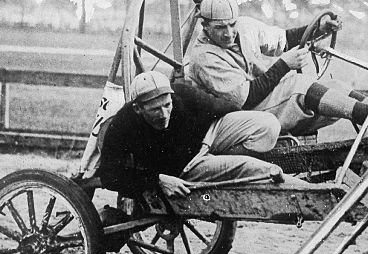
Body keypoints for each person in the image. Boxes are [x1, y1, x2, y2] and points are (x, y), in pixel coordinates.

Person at [183, 0, 368, 136]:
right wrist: (284, 65)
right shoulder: (204, 58)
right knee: (299, 85)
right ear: (205, 25)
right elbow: (245, 99)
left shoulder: (245, 28)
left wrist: (319, 30)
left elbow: (284, 39)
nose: (229, 33)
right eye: (220, 28)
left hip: (260, 103)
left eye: (232, 25)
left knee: (335, 87)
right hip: (237, 118)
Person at [98, 70, 288, 199]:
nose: (164, 114)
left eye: (167, 105)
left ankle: (225, 159)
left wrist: (238, 130)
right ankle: (311, 190)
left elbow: (221, 106)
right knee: (253, 167)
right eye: (155, 109)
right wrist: (157, 180)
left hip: (207, 137)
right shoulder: (123, 124)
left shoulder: (181, 94)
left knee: (269, 124)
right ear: (138, 108)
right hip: (187, 168)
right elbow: (109, 175)